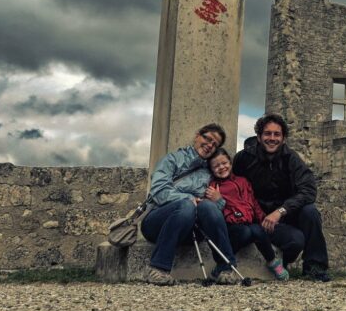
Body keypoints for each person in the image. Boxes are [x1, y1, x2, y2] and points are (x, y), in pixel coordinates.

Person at [233, 114, 331, 281]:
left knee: (310, 212)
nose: (272, 138)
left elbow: (308, 189)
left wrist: (281, 211)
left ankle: (314, 266)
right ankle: (276, 263)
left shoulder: (291, 159)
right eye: (267, 133)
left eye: (277, 134)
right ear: (259, 136)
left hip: (284, 215)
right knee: (295, 239)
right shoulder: (244, 158)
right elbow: (233, 186)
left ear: (283, 138)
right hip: (257, 218)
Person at [140, 123, 240, 286]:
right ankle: (158, 269)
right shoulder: (172, 159)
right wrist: (188, 198)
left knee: (207, 207)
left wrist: (218, 200)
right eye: (207, 138)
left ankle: (225, 267)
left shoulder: (210, 171)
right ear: (197, 136)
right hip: (157, 222)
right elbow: (158, 191)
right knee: (186, 205)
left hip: (192, 230)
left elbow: (216, 211)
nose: (209, 145)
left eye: (215, 144)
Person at [207, 148, 289, 281]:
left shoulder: (243, 181)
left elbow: (253, 203)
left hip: (249, 223)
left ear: (230, 162)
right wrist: (218, 199)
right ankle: (222, 263)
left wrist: (263, 217)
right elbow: (214, 212)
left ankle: (273, 261)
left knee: (257, 229)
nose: (221, 167)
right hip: (231, 227)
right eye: (216, 166)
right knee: (246, 231)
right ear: (211, 169)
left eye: (224, 163)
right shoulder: (214, 187)